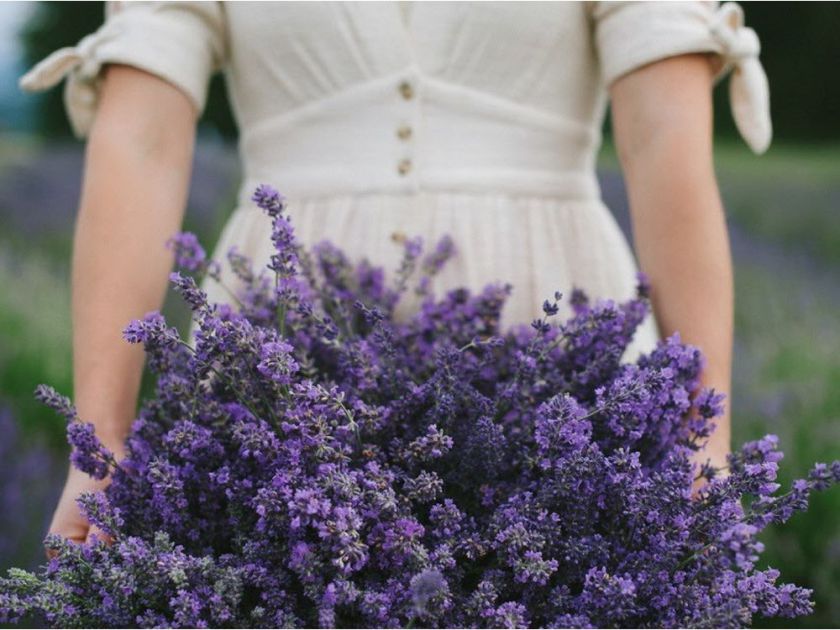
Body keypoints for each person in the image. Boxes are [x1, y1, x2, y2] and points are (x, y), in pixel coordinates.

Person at [21, 1, 770, 547]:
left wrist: (705, 436)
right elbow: (141, 145)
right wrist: (103, 442)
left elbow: (665, 142)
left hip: (560, 341)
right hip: (276, 366)